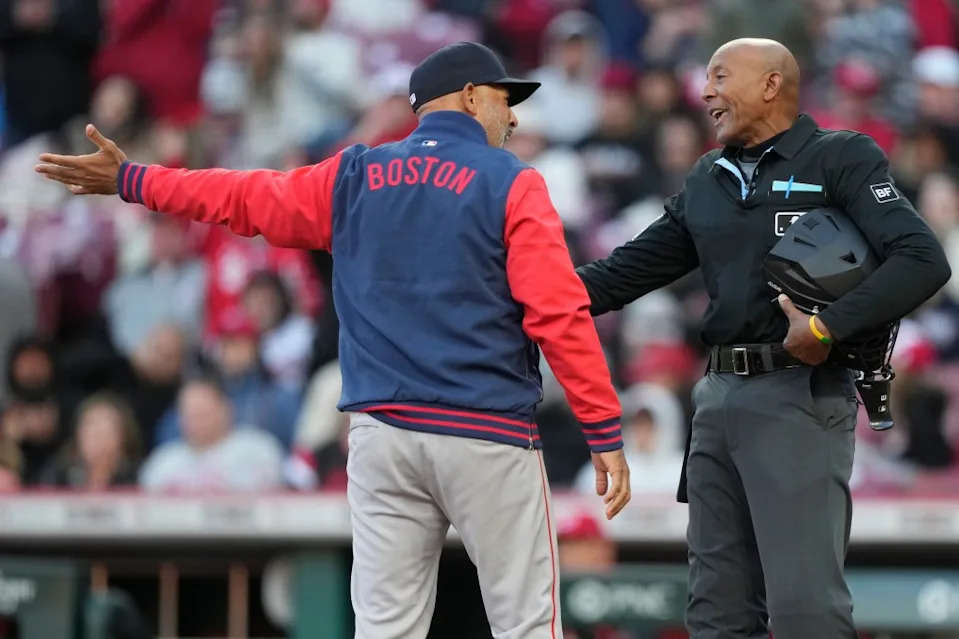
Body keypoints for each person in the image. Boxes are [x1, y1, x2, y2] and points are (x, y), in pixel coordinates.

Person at [36, 41, 631, 639]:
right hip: (486, 432)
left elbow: (241, 197)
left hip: (381, 436)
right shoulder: (512, 180)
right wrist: (601, 426)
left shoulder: (355, 174)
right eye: (506, 100)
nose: (515, 117)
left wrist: (136, 179)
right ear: (473, 97)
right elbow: (558, 313)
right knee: (529, 626)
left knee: (384, 629)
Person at [575, 38, 951, 639]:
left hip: (798, 394)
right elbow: (619, 276)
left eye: (720, 77)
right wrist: (516, 293)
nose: (705, 92)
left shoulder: (840, 157)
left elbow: (923, 259)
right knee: (716, 612)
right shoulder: (708, 177)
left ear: (771, 84)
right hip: (717, 397)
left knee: (805, 610)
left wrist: (828, 326)